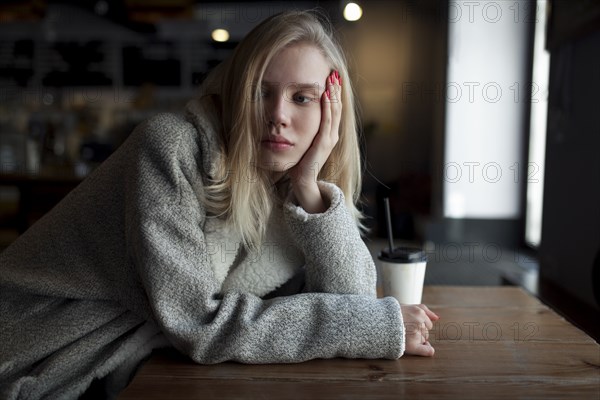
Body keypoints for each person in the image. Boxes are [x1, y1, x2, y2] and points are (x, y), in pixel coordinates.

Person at [0, 9, 439, 399]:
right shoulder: (171, 148)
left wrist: (309, 185)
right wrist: (376, 326)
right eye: (260, 92)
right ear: (234, 93)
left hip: (127, 358)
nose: (278, 115)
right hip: (33, 353)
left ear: (331, 111)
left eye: (302, 97)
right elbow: (198, 325)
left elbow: (353, 299)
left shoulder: (290, 184)